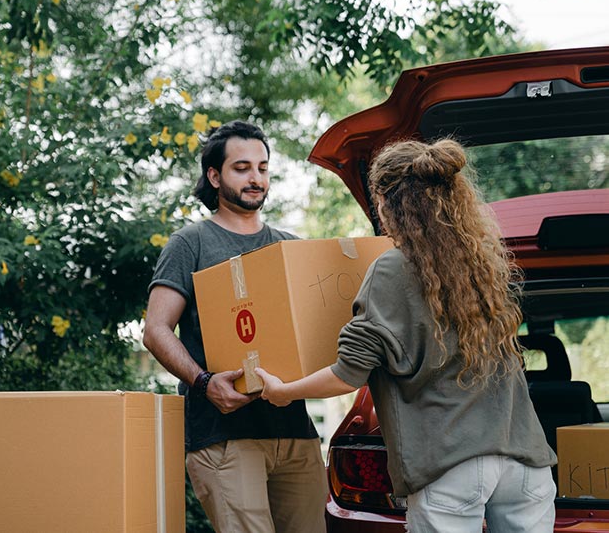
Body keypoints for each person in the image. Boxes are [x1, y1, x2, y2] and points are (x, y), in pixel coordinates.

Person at [257, 138, 557, 533]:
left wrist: (283, 391)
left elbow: (348, 374)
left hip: (450, 464)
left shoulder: (391, 270)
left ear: (387, 203)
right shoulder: (485, 263)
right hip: (525, 463)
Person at [143, 120, 328, 532]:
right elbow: (155, 330)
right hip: (224, 435)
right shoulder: (191, 243)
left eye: (263, 168)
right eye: (242, 168)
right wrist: (205, 382)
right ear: (214, 175)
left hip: (295, 431)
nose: (256, 178)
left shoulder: (290, 247)